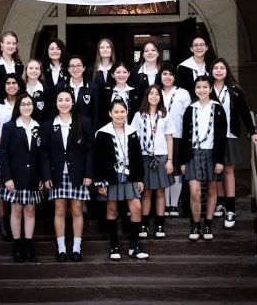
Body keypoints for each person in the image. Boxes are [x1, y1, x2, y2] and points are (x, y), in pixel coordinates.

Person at [42, 89, 93, 262]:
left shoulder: (83, 122)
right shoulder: (49, 125)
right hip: (57, 175)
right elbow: (45, 153)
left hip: (77, 174)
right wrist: (46, 175)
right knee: (60, 209)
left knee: (77, 209)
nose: (64, 103)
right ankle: (62, 248)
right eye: (60, 100)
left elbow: (89, 151)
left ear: (72, 102)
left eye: (67, 100)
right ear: (56, 103)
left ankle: (77, 248)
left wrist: (88, 173)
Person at [94, 99, 148, 260]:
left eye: (122, 112)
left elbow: (137, 157)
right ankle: (114, 247)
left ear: (127, 113)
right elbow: (98, 160)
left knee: (137, 207)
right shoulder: (102, 133)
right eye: (116, 112)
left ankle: (134, 246)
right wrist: (100, 182)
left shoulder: (132, 132)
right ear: (110, 113)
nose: (119, 115)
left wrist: (139, 178)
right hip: (111, 177)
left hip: (130, 175)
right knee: (112, 209)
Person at [209, 58, 257, 228]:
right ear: (211, 71)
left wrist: (253, 132)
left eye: (221, 68)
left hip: (230, 135)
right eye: (215, 68)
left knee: (229, 170)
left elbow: (245, 113)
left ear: (227, 70)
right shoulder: (205, 89)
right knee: (216, 171)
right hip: (211, 137)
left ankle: (231, 209)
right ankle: (221, 202)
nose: (218, 71)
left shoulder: (235, 91)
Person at [180, 75, 227, 241]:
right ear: (195, 89)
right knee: (194, 191)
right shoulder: (190, 109)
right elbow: (185, 135)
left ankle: (208, 223)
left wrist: (220, 160)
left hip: (212, 154)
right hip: (193, 153)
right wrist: (183, 161)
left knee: (212, 188)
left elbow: (222, 136)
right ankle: (195, 223)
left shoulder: (218, 109)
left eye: (205, 87)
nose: (202, 90)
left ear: (210, 88)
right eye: (198, 87)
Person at [0, 93, 43, 263]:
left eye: (29, 104)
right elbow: (4, 154)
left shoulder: (38, 126)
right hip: (15, 177)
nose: (27, 107)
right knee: (16, 210)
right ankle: (17, 246)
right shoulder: (10, 127)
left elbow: (41, 156)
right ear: (18, 107)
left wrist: (41, 177)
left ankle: (28, 245)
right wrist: (7, 177)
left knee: (30, 210)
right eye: (23, 104)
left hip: (32, 176)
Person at [0, 73, 26, 241]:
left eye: (14, 83)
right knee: (1, 189)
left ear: (19, 85)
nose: (11, 86)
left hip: (20, 153)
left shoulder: (23, 102)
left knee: (16, 187)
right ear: (4, 86)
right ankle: (3, 225)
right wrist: (4, 147)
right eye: (8, 83)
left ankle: (16, 223)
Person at [131, 85, 175, 238]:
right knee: (146, 192)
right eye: (151, 94)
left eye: (157, 94)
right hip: (144, 157)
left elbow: (169, 138)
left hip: (161, 157)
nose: (154, 96)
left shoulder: (165, 115)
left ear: (160, 97)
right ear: (146, 96)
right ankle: (144, 225)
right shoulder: (139, 115)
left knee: (161, 191)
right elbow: (134, 140)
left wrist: (170, 160)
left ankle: (160, 225)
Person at [160, 62, 191, 216]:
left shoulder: (183, 93)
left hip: (177, 136)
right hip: (159, 138)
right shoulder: (155, 92)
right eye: (164, 74)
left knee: (177, 171)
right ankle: (165, 205)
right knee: (165, 171)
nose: (167, 77)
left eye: (170, 74)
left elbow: (187, 118)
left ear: (174, 77)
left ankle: (174, 205)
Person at [58, 55, 99, 130]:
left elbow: (95, 114)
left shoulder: (93, 88)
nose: (75, 68)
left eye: (79, 65)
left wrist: (94, 131)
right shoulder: (60, 87)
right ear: (68, 69)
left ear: (84, 68)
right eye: (72, 66)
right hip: (65, 129)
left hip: (86, 130)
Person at [98, 61, 140, 128]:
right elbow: (101, 114)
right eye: (118, 72)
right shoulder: (106, 92)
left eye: (124, 72)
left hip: (131, 129)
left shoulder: (135, 92)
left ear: (129, 74)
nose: (121, 75)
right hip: (110, 130)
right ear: (112, 74)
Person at [0, 31, 24, 100]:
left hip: (16, 104)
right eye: (8, 43)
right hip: (0, 104)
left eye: (14, 43)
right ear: (2, 44)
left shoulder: (19, 65)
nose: (11, 46)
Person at [129, 39, 163, 106]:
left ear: (158, 53)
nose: (150, 53)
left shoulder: (164, 72)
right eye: (146, 51)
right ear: (143, 55)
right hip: (140, 112)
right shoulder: (134, 73)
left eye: (153, 50)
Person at [23, 59, 53, 123]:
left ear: (40, 71)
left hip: (40, 128)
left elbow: (49, 113)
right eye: (31, 68)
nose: (34, 71)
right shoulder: (20, 88)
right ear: (26, 70)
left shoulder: (46, 90)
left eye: (37, 68)